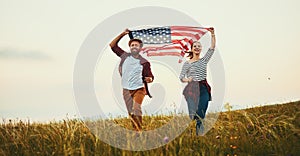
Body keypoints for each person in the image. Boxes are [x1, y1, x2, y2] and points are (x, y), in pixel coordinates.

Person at [110, 29, 154, 131]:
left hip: (139, 89)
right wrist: (122, 34)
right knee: (131, 112)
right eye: (132, 45)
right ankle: (136, 131)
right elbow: (112, 46)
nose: (134, 46)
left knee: (136, 108)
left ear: (140, 48)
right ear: (130, 47)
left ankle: (139, 131)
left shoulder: (144, 62)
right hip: (126, 90)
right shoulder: (124, 56)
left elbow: (150, 76)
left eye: (136, 45)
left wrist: (150, 79)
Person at [179, 27, 216, 135]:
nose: (197, 47)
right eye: (195, 46)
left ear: (201, 49)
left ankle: (199, 135)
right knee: (192, 114)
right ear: (191, 49)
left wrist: (212, 34)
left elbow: (212, 48)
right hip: (191, 89)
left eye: (199, 46)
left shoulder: (204, 60)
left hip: (203, 88)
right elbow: (181, 77)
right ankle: (191, 131)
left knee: (201, 113)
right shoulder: (187, 63)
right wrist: (187, 79)